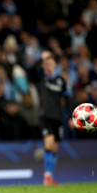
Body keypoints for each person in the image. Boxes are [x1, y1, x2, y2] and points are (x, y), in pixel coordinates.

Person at [38, 51, 72, 185]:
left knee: (54, 148)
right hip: (45, 116)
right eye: (46, 64)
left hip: (57, 117)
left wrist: (70, 117)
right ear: (44, 66)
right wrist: (42, 59)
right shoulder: (42, 78)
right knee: (48, 143)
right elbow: (34, 69)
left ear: (55, 64)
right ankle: (46, 177)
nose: (49, 66)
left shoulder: (61, 81)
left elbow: (67, 99)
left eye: (51, 63)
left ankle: (50, 176)